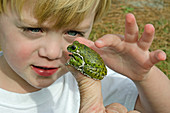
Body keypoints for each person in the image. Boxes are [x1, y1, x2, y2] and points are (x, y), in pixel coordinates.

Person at [0, 0, 169, 113]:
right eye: (34, 29)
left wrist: (145, 78)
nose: (52, 53)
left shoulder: (89, 81)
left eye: (72, 32)